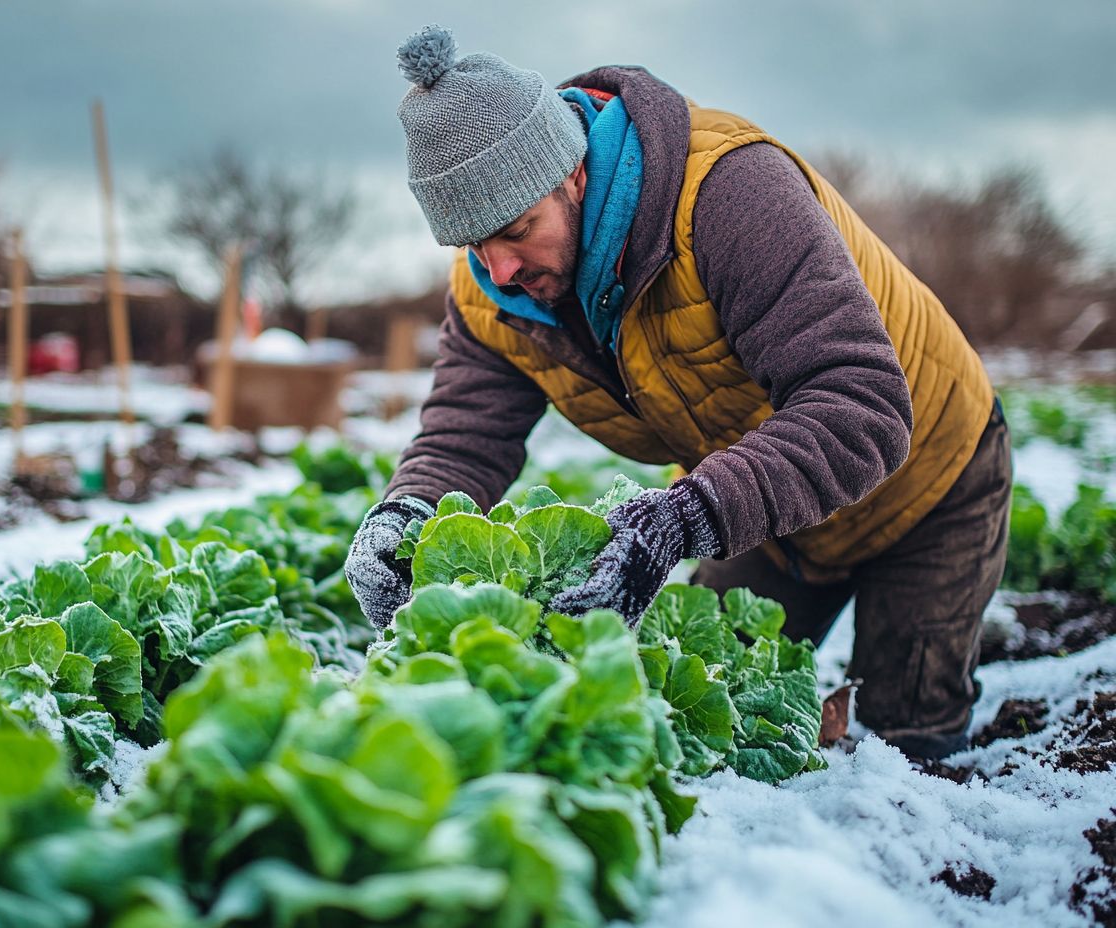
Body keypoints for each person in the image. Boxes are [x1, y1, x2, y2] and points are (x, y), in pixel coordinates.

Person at [345, 25, 1012, 761]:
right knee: (708, 695)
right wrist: (406, 515)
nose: (498, 267)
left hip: (929, 477)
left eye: (516, 229)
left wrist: (683, 518)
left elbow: (863, 409)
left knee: (905, 743)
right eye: (473, 244)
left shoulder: (728, 195)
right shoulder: (493, 297)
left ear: (572, 174)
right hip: (779, 505)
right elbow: (464, 437)